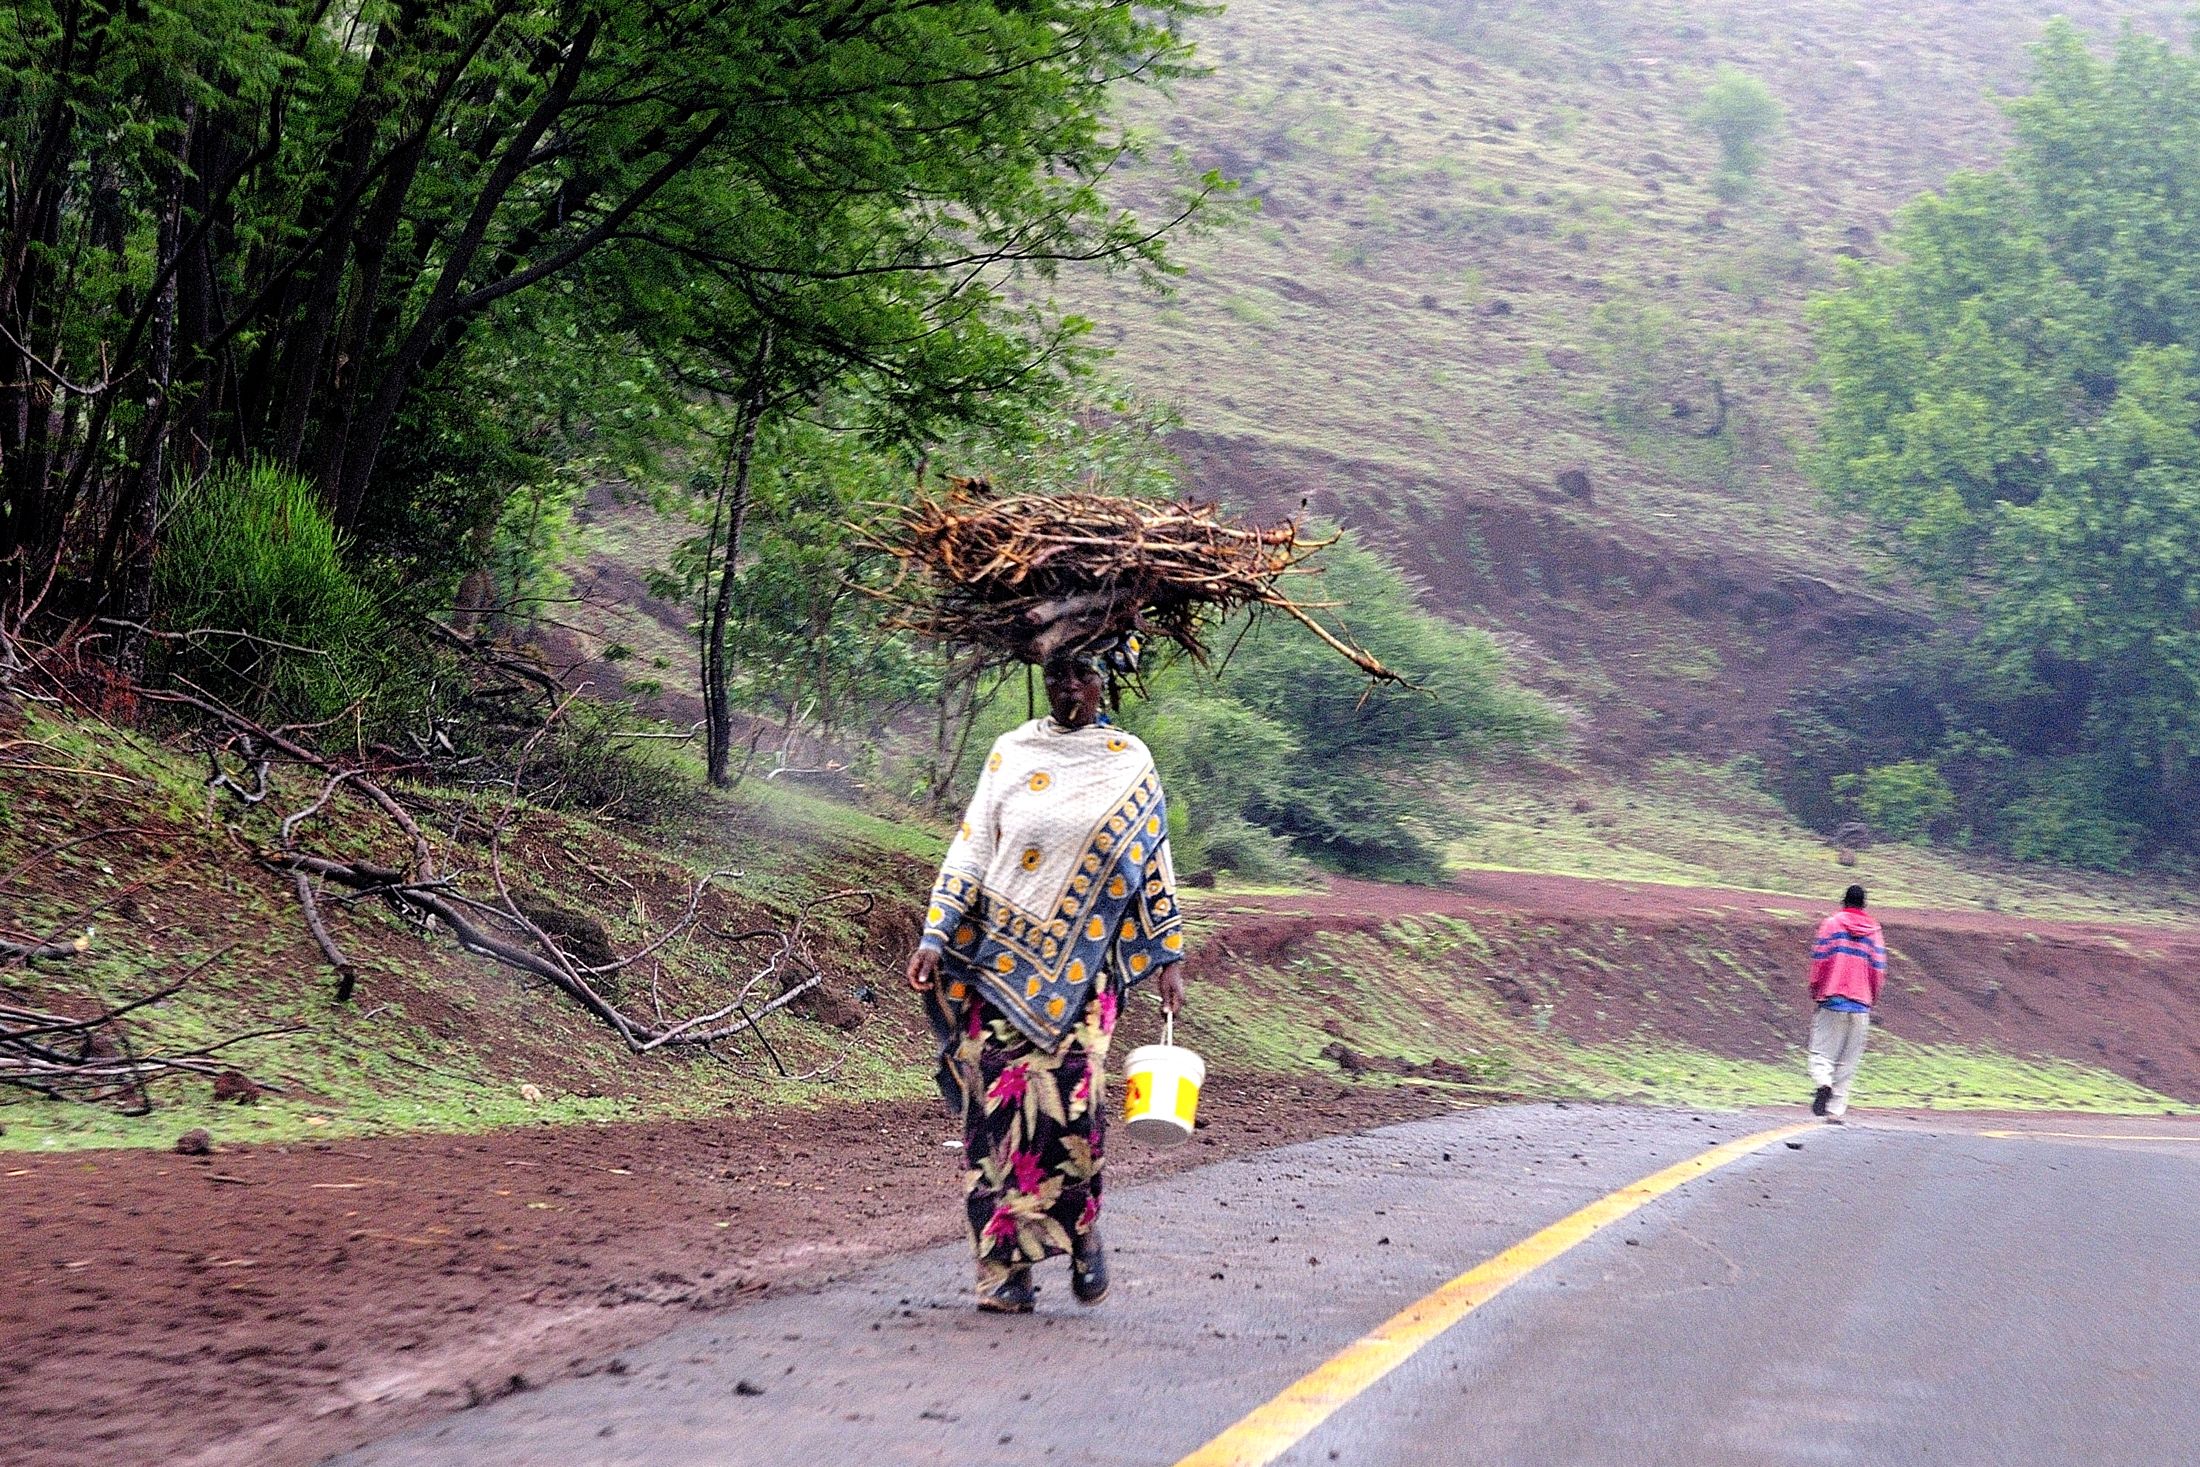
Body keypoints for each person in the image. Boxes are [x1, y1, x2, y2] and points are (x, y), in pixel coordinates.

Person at [906, 641, 1189, 1313]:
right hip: (997, 969)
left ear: (1103, 681)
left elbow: (1153, 862)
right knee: (992, 1121)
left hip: (1086, 979)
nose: (1068, 686)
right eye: (1057, 673)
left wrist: (1169, 955)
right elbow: (973, 846)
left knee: (1071, 1110)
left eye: (1082, 673)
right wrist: (936, 933)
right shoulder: (1012, 752)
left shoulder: (1129, 762)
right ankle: (1002, 1273)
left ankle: (1081, 1230)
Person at [1806, 884, 1884, 1124]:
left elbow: (1820, 960)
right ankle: (1835, 1112)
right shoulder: (1874, 931)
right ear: (1864, 905)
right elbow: (1878, 969)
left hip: (1833, 999)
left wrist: (1816, 989)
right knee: (1847, 1062)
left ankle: (1823, 1083)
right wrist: (1871, 998)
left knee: (1822, 1054)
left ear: (1844, 901)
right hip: (1861, 1004)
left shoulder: (1832, 924)